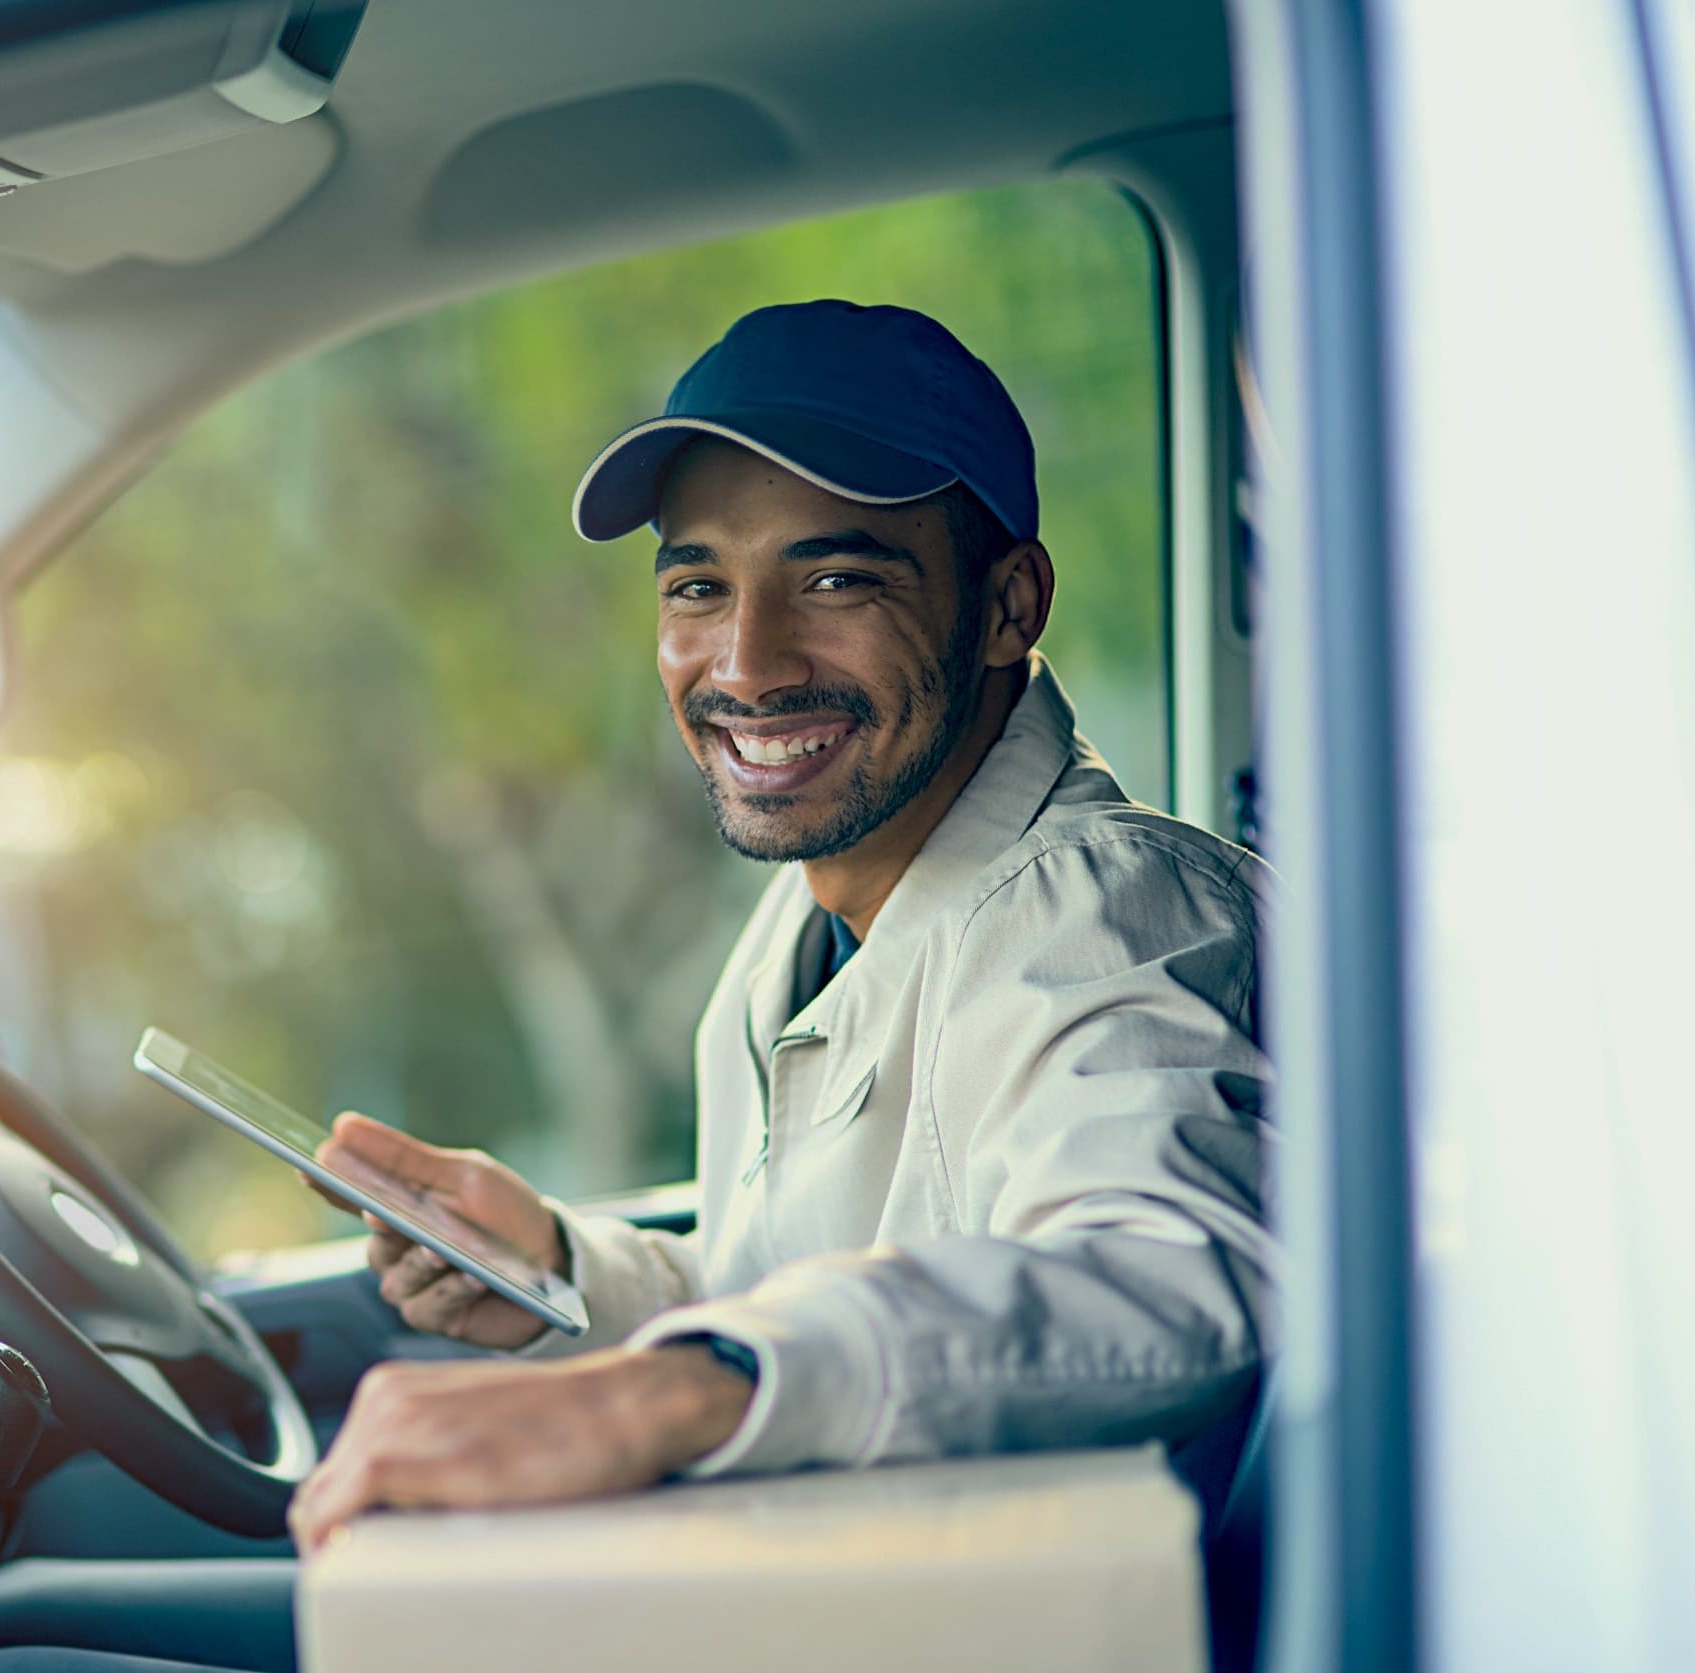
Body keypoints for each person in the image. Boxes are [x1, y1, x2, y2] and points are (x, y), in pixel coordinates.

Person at [288, 300, 1275, 1551]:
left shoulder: (1096, 909)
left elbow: (1165, 1274)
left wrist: (666, 1391)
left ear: (1007, 607)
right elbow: (790, 1277)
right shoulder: (819, 904)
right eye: (699, 584)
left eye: (834, 578)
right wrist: (561, 1267)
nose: (746, 662)